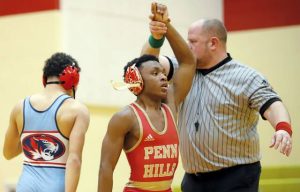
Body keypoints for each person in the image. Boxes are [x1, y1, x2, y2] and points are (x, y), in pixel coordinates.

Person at [142, 11, 293, 192]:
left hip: (236, 177)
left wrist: (283, 128)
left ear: (213, 43)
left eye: (193, 41)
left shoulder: (246, 77)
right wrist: (156, 38)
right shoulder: (182, 68)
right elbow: (145, 65)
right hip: (193, 179)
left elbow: (273, 105)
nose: (186, 46)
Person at [98, 3, 196, 192]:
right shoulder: (125, 117)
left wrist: (166, 26)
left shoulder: (170, 103)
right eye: (154, 73)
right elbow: (106, 168)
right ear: (137, 82)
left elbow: (188, 62)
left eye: (162, 72)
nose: (162, 76)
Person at [3, 52, 90, 192]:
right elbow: (74, 160)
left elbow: (8, 153)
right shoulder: (77, 110)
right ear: (73, 78)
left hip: (25, 186)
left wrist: (33, 141)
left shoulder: (20, 107)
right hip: (56, 186)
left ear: (44, 78)